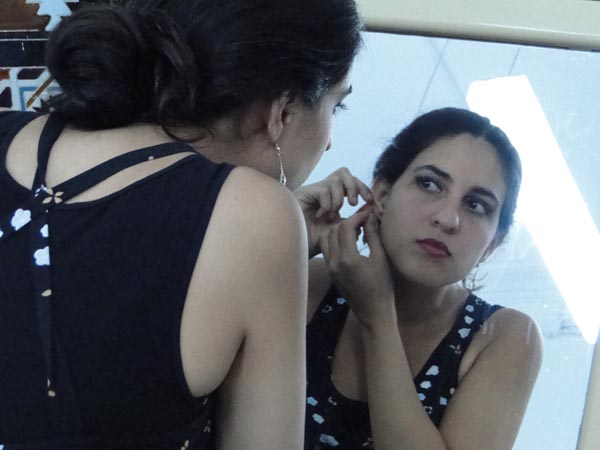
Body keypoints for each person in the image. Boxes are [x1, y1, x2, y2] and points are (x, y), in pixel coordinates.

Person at [0, 0, 362, 448]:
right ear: (282, 110)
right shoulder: (259, 217)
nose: (329, 145)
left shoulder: (9, 130)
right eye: (337, 106)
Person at [301, 107, 543, 450]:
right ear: (382, 194)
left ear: (493, 244)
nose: (447, 218)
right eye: (430, 184)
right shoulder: (314, 282)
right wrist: (285, 239)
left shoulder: (504, 336)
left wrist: (377, 317)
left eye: (476, 205)